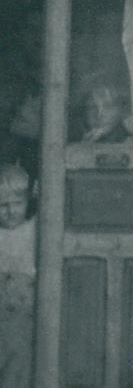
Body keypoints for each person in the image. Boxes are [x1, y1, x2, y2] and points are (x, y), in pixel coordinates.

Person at [0, 164, 36, 388]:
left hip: (25, 308)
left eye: (17, 203)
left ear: (28, 201)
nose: (11, 211)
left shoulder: (35, 229)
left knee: (21, 355)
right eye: (3, 205)